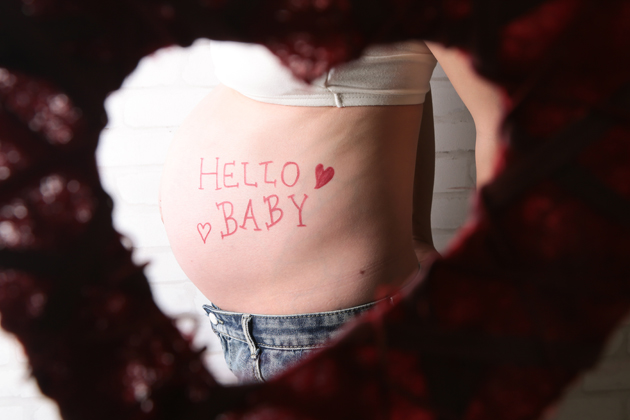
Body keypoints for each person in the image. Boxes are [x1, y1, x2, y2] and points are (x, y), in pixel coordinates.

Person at [159, 39, 503, 383]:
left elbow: (500, 120)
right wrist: (414, 232)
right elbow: (406, 88)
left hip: (335, 332)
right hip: (237, 331)